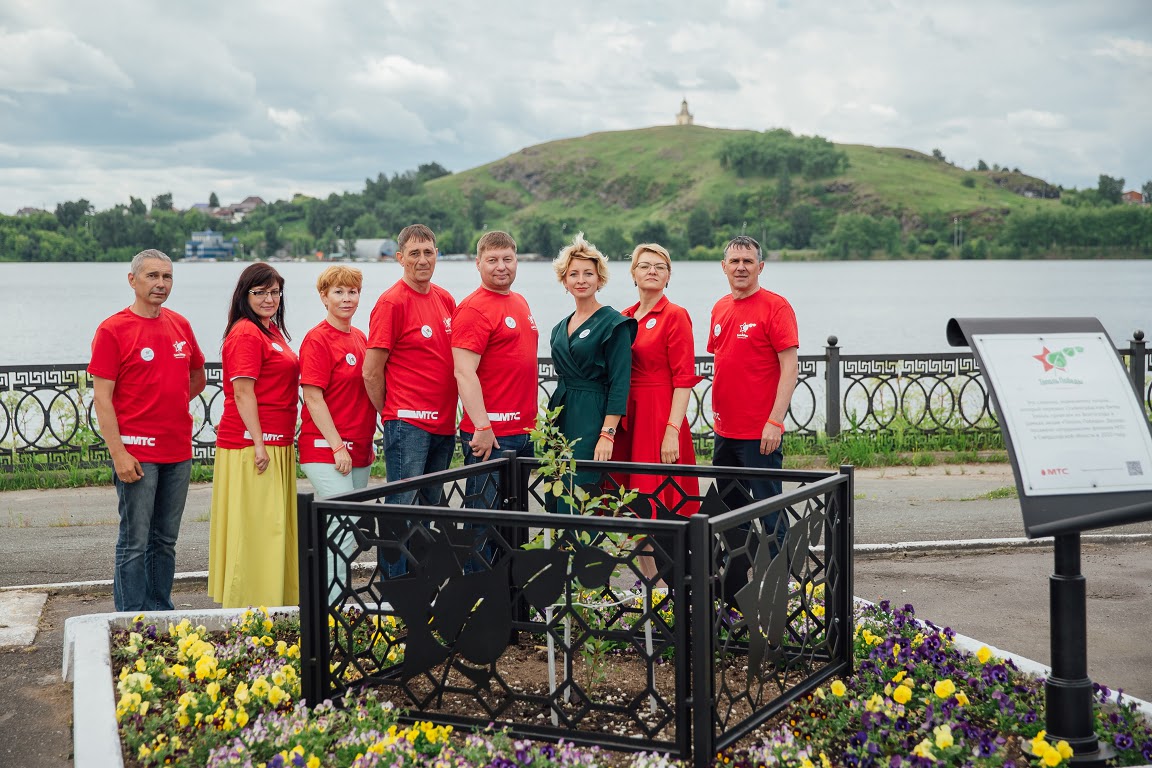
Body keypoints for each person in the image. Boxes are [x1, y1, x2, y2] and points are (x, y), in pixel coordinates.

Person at [89, 249, 206, 612]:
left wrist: (165, 401)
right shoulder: (112, 330)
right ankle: (129, 620)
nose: (160, 284)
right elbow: (102, 399)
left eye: (167, 277)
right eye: (152, 276)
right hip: (137, 453)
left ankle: (160, 612)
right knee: (135, 540)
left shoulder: (180, 325)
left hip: (178, 451)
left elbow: (197, 376)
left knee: (165, 540)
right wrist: (119, 453)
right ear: (133, 280)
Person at [363, 224, 457, 572]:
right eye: (414, 253)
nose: (422, 259)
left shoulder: (445, 299)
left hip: (444, 425)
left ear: (437, 255)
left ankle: (420, 586)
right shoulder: (391, 302)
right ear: (399, 257)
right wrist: (392, 414)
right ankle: (394, 596)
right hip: (409, 426)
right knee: (401, 511)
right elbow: (371, 372)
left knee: (429, 511)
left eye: (428, 252)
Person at [209, 263, 300, 608]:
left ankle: (276, 601)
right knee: (258, 531)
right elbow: (244, 393)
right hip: (253, 445)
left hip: (276, 441)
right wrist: (259, 444)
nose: (269, 298)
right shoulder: (246, 332)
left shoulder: (270, 330)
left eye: (274, 292)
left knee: (273, 530)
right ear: (245, 295)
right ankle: (251, 607)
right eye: (260, 292)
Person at [452, 231, 538, 566]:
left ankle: (509, 602)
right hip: (490, 435)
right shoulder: (474, 308)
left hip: (523, 431)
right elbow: (463, 372)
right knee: (481, 524)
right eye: (492, 260)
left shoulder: (520, 301)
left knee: (512, 525)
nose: (501, 267)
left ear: (516, 260)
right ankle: (477, 602)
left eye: (507, 259)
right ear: (478, 263)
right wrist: (483, 426)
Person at [298, 265, 377, 602]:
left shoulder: (361, 338)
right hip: (325, 449)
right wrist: (336, 446)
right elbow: (312, 396)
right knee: (346, 522)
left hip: (359, 449)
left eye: (352, 292)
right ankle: (328, 603)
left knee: (351, 530)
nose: (347, 298)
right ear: (323, 296)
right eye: (339, 292)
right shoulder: (317, 339)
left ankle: (335, 597)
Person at [708, 235, 799, 526]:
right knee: (731, 515)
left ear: (761, 267)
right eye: (734, 261)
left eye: (748, 261)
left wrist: (775, 422)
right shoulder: (720, 307)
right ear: (724, 266)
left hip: (760, 434)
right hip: (725, 431)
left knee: (769, 512)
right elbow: (724, 361)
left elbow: (790, 368)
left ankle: (779, 571)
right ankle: (736, 572)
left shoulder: (776, 307)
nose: (741, 267)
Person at [547, 233, 637, 510]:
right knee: (559, 490)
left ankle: (584, 553)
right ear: (564, 281)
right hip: (562, 415)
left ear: (600, 279)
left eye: (588, 273)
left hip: (593, 418)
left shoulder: (615, 324)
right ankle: (560, 552)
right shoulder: (559, 327)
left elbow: (620, 382)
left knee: (583, 493)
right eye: (573, 274)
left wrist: (607, 433)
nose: (581, 279)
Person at [612, 243, 702, 518]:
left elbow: (684, 379)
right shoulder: (623, 317)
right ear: (633, 274)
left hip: (659, 415)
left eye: (660, 267)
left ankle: (674, 560)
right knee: (630, 501)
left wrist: (672, 430)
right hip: (629, 417)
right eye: (645, 266)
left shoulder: (675, 315)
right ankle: (643, 561)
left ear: (668, 276)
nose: (652, 271)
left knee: (658, 497)